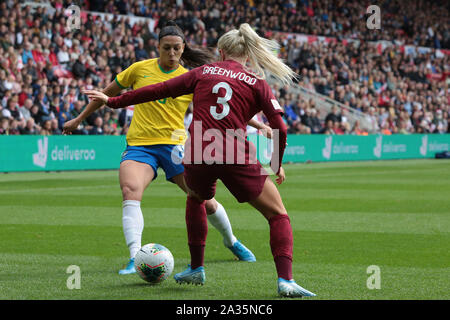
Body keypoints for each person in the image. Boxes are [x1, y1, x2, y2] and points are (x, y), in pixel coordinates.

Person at [84, 23, 316, 298]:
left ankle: (196, 268)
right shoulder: (257, 82)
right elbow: (280, 127)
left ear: (221, 52)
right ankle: (285, 281)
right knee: (278, 214)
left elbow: (156, 91)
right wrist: (276, 163)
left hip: (199, 151)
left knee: (196, 198)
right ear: (248, 55)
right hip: (233, 151)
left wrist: (112, 102)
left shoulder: (202, 72)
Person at [63, 21, 261, 275]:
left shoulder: (191, 77)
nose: (171, 54)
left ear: (183, 48)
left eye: (176, 49)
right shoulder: (138, 70)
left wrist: (258, 123)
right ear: (157, 47)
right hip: (140, 145)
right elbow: (108, 95)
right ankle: (135, 257)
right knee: (129, 190)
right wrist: (79, 119)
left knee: (205, 201)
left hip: (175, 146)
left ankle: (231, 240)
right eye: (166, 48)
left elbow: (228, 107)